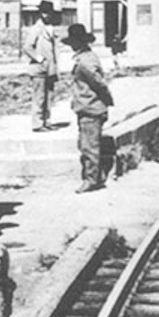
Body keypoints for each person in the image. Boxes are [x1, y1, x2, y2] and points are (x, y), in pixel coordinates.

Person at [63, 23, 116, 193]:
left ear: (78, 43)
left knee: (89, 146)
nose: (71, 46)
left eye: (73, 42)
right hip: (87, 106)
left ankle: (91, 180)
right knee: (86, 144)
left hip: (91, 108)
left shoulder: (85, 61)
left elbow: (99, 82)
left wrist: (106, 100)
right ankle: (94, 177)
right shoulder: (86, 57)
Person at [23, 0, 60, 132]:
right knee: (39, 97)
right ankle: (37, 124)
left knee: (49, 96)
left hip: (50, 69)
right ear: (40, 13)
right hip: (39, 69)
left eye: (49, 13)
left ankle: (47, 121)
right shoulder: (36, 29)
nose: (47, 15)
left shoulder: (51, 28)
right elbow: (27, 47)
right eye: (44, 13)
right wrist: (40, 59)